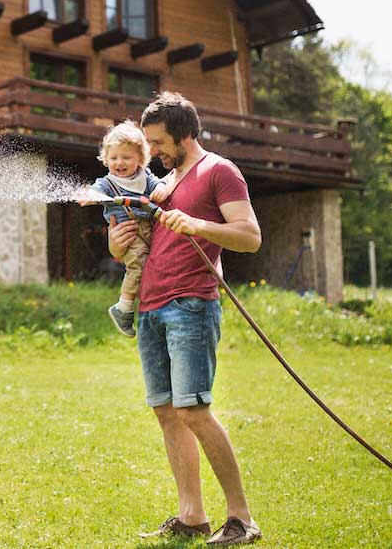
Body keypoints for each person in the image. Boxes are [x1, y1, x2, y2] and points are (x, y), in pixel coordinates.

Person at [108, 92, 263, 545]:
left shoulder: (219, 171)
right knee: (166, 412)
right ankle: (191, 515)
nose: (150, 152)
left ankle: (241, 518)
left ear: (184, 133)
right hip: (151, 307)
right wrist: (118, 246)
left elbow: (249, 237)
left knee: (194, 410)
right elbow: (134, 249)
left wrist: (198, 225)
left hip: (191, 304)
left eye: (157, 142)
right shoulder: (163, 183)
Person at [77, 122, 171, 336]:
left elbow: (157, 184)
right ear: (106, 158)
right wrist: (90, 196)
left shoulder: (145, 176)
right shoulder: (107, 183)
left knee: (152, 263)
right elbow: (95, 191)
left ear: (140, 158)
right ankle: (124, 308)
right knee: (138, 265)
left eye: (126, 157)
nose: (119, 163)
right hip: (128, 232)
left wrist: (161, 189)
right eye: (114, 158)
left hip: (148, 227)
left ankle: (145, 307)